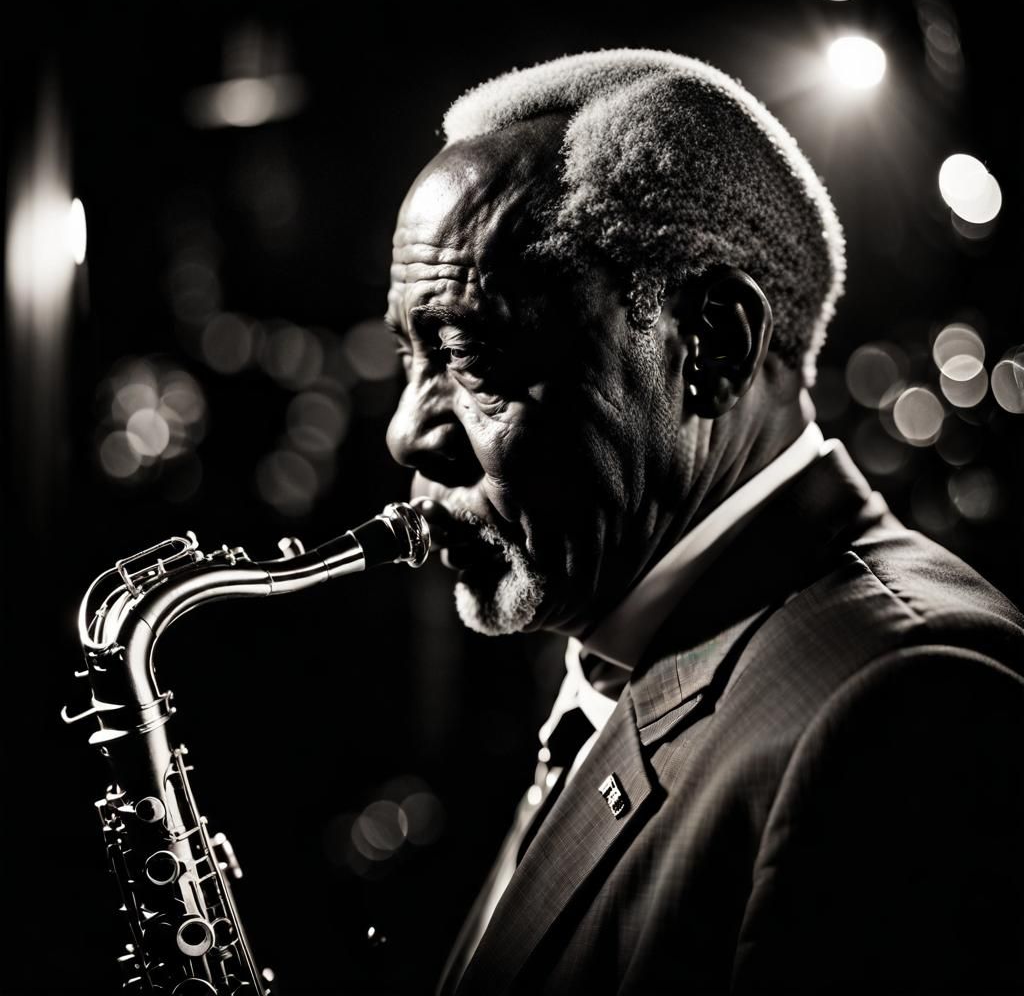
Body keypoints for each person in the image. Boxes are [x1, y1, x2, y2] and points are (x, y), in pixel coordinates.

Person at [383, 50, 1024, 995]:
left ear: (713, 346)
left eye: (473, 354)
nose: (407, 433)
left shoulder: (907, 704)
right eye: (411, 355)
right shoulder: (622, 626)